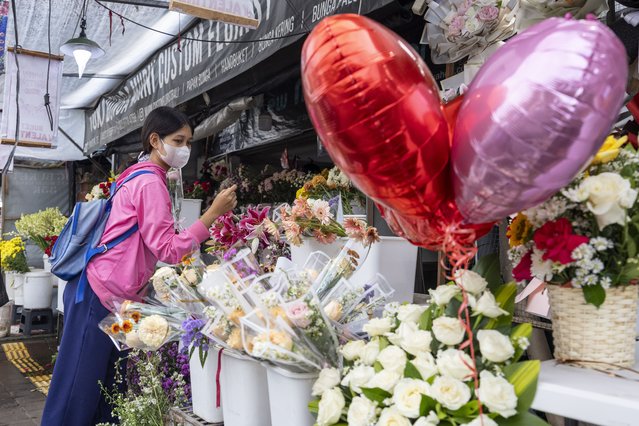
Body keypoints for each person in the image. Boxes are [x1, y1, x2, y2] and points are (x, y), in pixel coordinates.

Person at [42, 107, 237, 425]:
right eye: (178, 140)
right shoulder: (148, 183)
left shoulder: (138, 174)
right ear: (155, 140)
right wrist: (211, 214)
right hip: (99, 294)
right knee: (78, 388)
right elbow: (168, 250)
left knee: (109, 384)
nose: (185, 148)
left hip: (124, 299)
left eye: (188, 141)